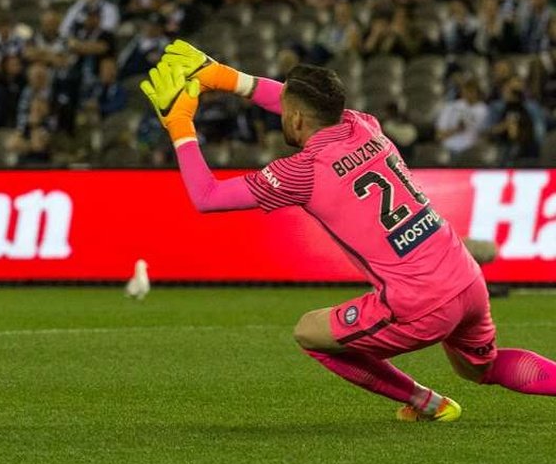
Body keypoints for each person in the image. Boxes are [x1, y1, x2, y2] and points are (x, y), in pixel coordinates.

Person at [140, 39, 556, 421]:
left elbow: (207, 196)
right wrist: (226, 78)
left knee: (310, 332)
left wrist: (180, 127)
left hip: (419, 301)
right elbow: (288, 99)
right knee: (482, 368)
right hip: (465, 277)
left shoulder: (302, 170)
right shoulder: (363, 125)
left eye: (286, 111)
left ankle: (424, 400)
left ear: (297, 117)